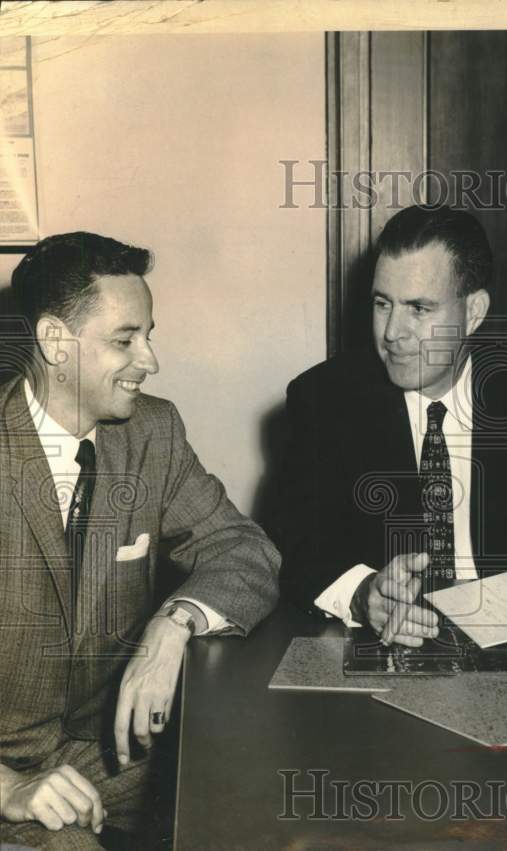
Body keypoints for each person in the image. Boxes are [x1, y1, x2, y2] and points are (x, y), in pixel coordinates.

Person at [0, 232, 281, 849]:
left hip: (98, 751)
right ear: (54, 342)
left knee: (258, 789)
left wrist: (174, 623)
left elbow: (244, 550)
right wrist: (8, 790)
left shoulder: (152, 433)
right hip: (7, 780)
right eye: (124, 340)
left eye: (148, 335)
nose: (149, 360)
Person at [279, 205, 507, 646]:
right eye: (382, 304)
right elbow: (291, 547)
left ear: (474, 312)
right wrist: (361, 595)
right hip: (385, 650)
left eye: (419, 308)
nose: (392, 332)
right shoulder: (323, 400)